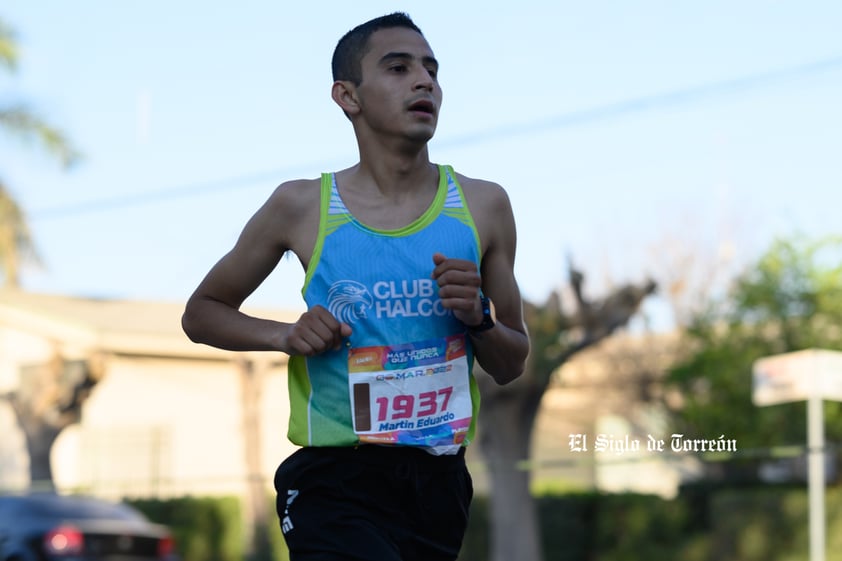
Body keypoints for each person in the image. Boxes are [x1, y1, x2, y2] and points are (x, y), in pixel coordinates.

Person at [182, 12, 529, 561]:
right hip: (334, 479)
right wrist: (283, 335)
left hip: (438, 484)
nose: (425, 81)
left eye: (432, 70)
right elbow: (201, 313)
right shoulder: (300, 207)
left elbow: (512, 362)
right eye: (398, 67)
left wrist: (480, 315)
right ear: (348, 96)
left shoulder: (484, 206)